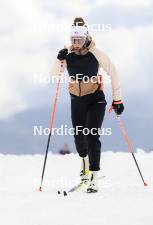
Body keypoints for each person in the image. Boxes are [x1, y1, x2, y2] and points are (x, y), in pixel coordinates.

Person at [53, 17, 124, 192]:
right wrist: (59, 60)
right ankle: (84, 165)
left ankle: (93, 176)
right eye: (73, 40)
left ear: (86, 38)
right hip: (76, 99)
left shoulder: (96, 53)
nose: (75, 44)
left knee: (92, 135)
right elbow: (55, 76)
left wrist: (118, 99)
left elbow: (113, 72)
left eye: (79, 40)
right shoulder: (66, 53)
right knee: (79, 137)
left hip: (95, 99)